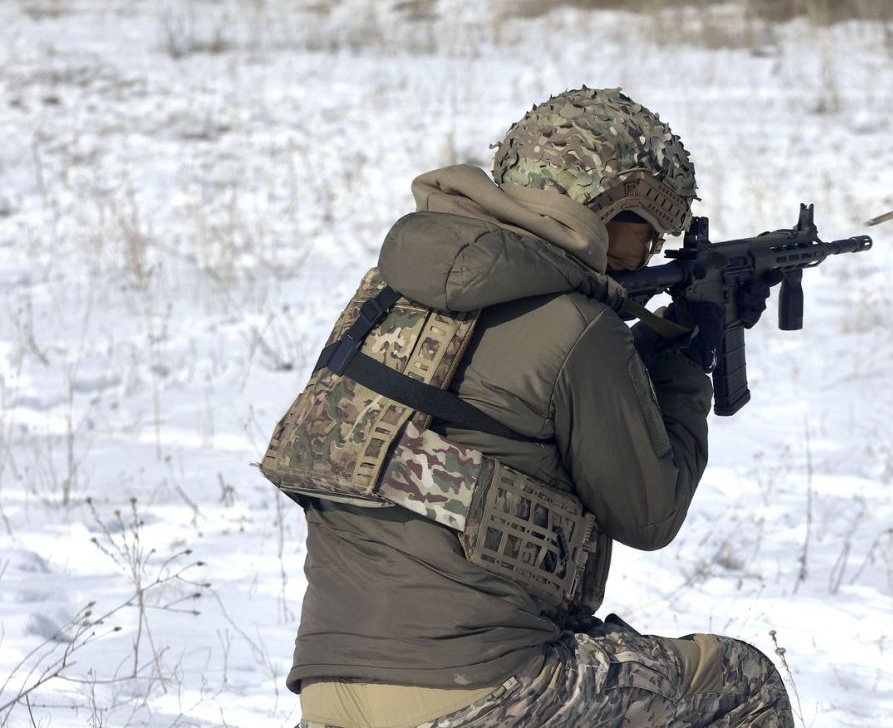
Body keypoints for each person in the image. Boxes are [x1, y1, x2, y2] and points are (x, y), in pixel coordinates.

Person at [282, 87, 793, 727]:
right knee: (744, 683)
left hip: (328, 695)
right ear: (607, 206)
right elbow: (650, 513)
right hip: (480, 690)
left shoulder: (386, 297)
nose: (653, 251)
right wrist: (687, 362)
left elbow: (512, 400)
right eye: (647, 230)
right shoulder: (578, 326)